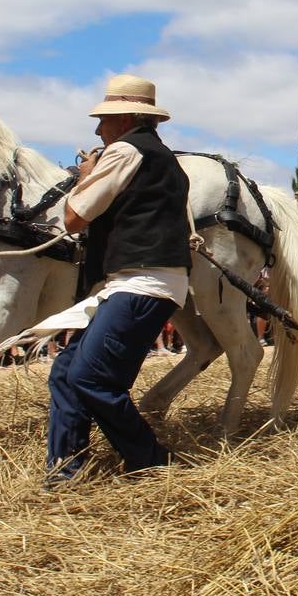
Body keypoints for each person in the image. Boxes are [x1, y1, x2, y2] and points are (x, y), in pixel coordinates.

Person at [45, 74, 191, 486]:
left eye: (103, 119)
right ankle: (64, 474)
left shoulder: (124, 151)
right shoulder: (164, 159)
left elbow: (74, 219)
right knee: (65, 373)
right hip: (146, 283)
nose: (97, 129)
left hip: (142, 283)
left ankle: (151, 462)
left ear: (125, 118)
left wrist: (85, 175)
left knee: (91, 379)